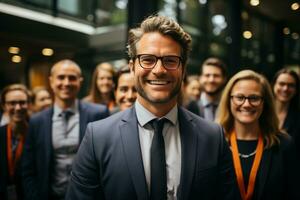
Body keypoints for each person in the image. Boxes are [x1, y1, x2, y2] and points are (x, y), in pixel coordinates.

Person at [66, 15, 236, 200]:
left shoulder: (213, 137)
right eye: (147, 59)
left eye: (170, 60)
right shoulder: (97, 138)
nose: (159, 70)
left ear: (183, 69)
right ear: (132, 68)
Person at [22, 59, 109, 200]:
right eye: (61, 77)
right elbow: (28, 169)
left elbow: (106, 161)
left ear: (80, 81)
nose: (66, 83)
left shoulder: (98, 113)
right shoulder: (37, 121)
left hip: (88, 196)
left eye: (72, 78)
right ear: (51, 81)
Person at [216, 70, 300, 200]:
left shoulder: (283, 145)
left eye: (254, 98)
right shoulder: (215, 143)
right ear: (229, 100)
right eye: (240, 97)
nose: (246, 104)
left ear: (264, 103)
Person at [0, 84, 31, 200]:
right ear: (4, 106)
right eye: (12, 103)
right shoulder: (1, 134)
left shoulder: (36, 135)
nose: (18, 107)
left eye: (22, 102)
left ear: (29, 105)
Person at [272, 69, 300, 144]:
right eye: (282, 84)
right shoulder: (261, 112)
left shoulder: (297, 117)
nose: (285, 89)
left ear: (296, 89)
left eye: (291, 85)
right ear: (273, 85)